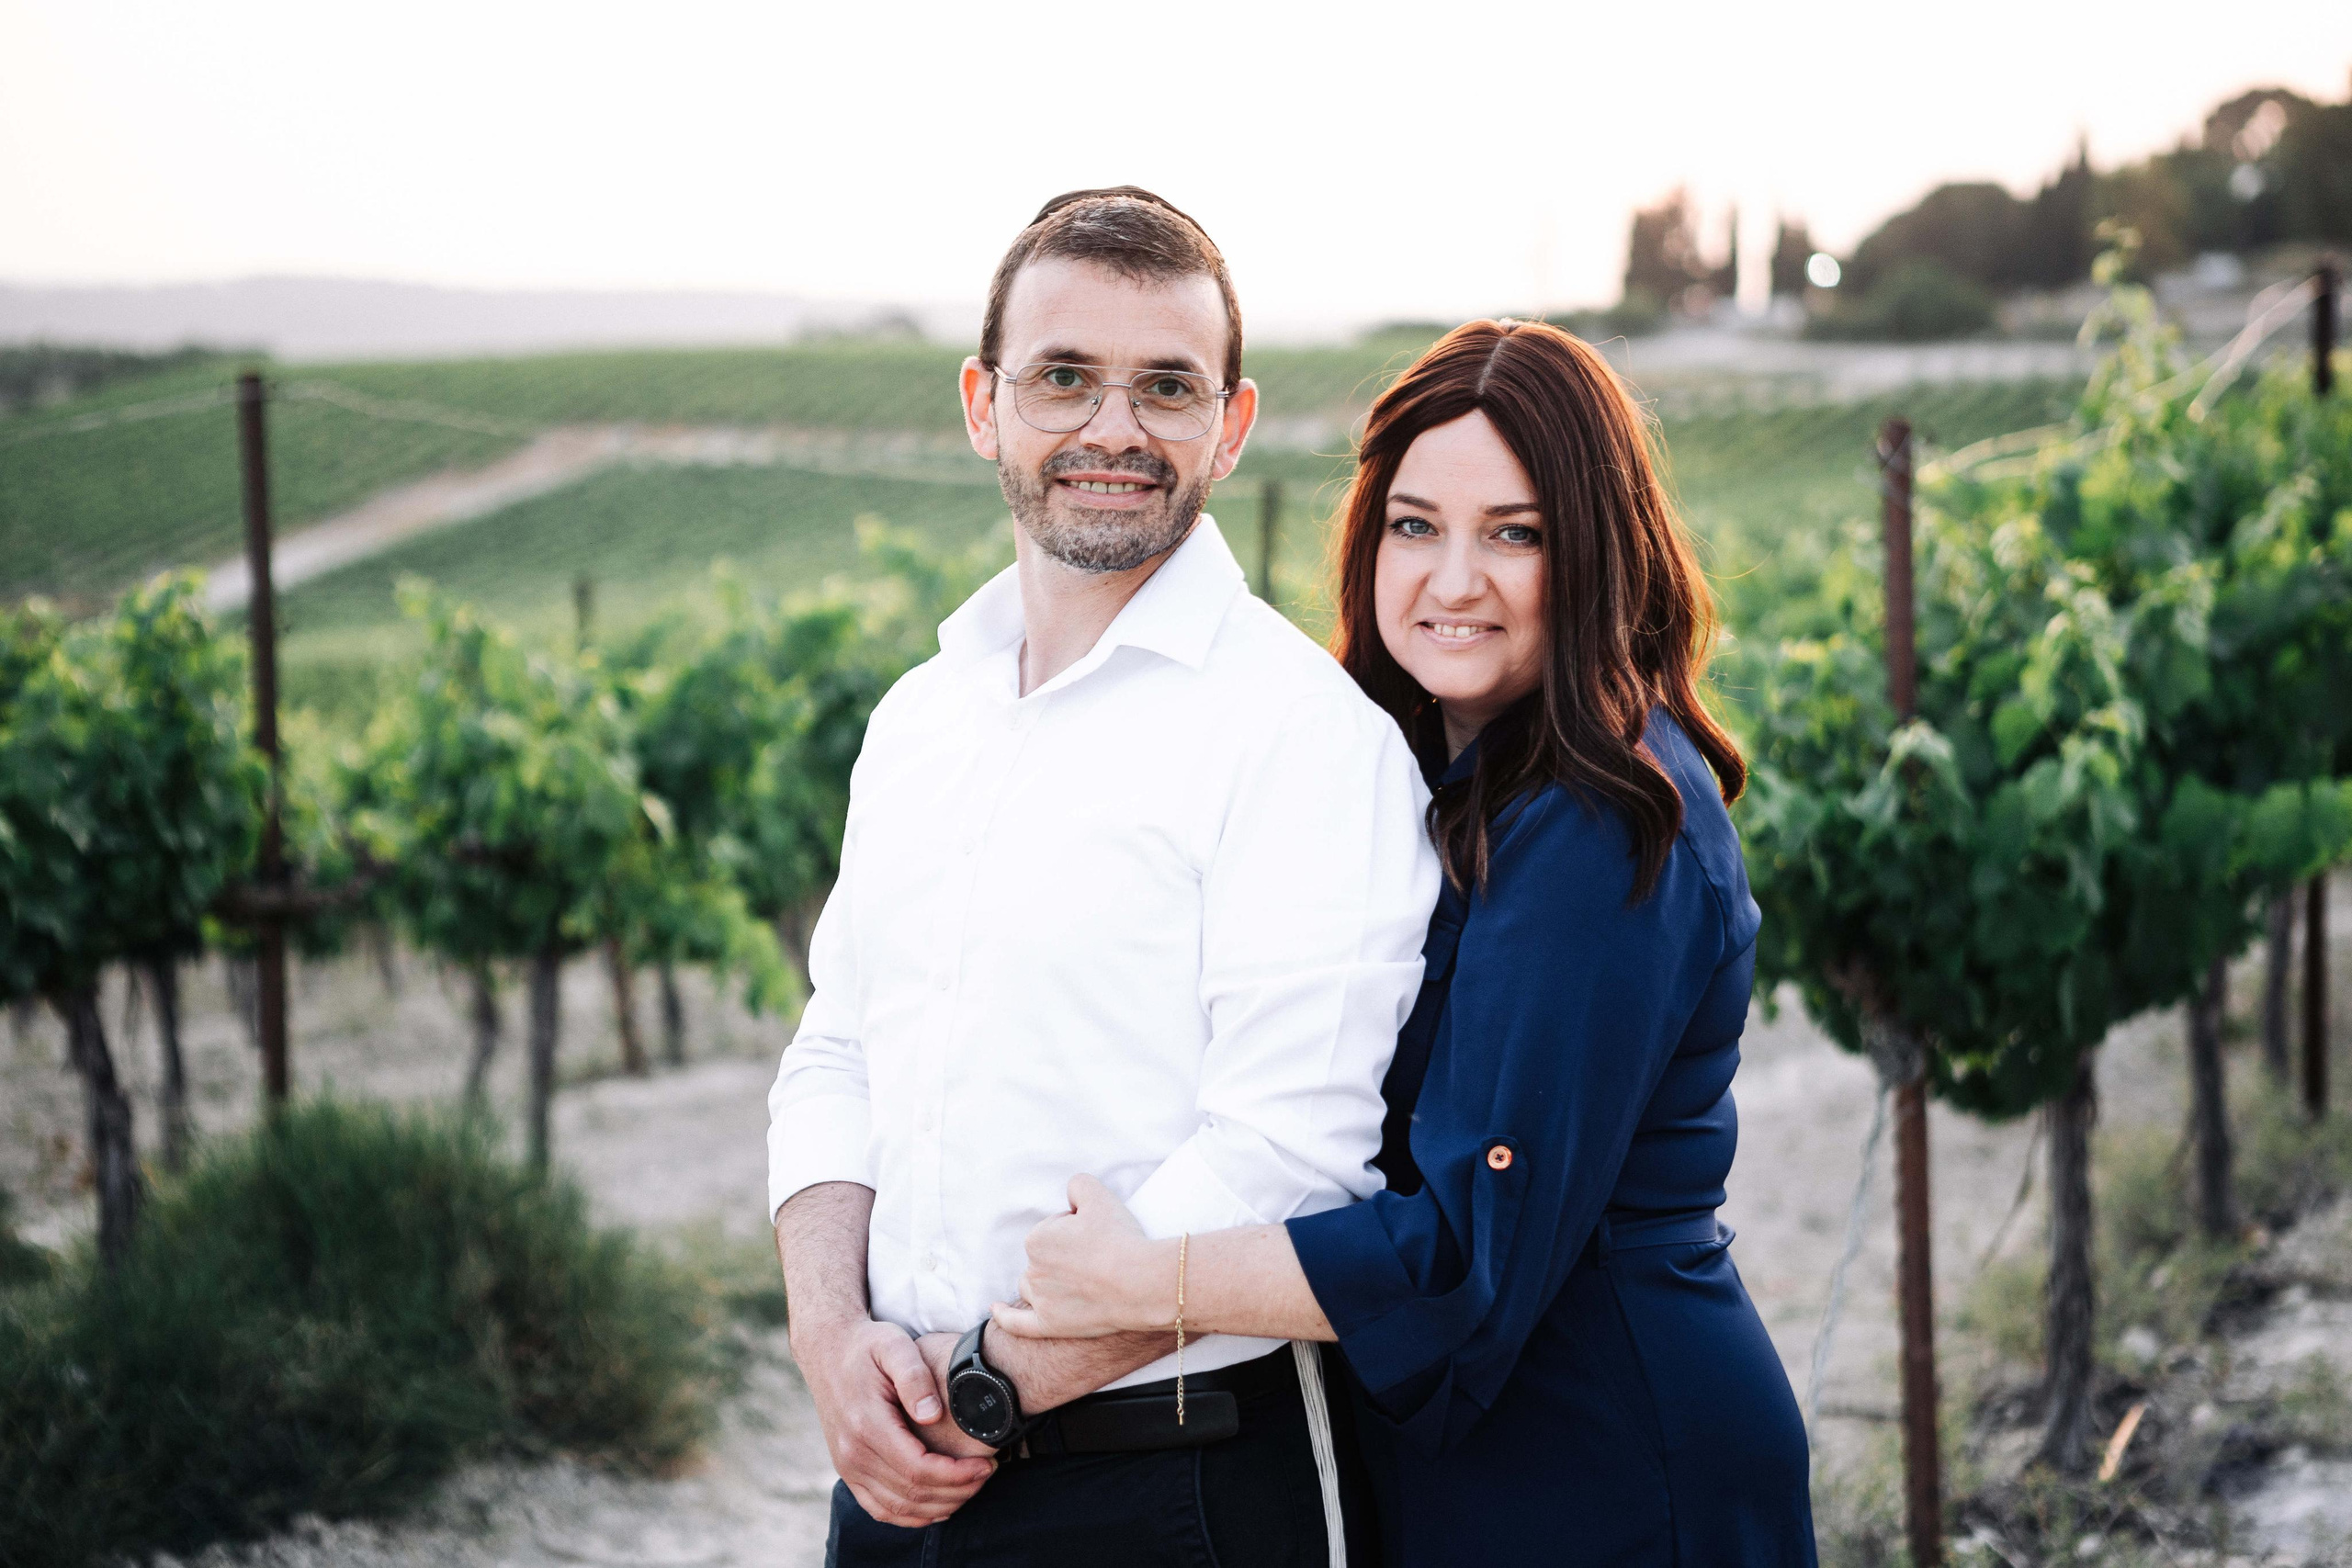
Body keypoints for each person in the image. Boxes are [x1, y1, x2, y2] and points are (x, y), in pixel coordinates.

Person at [994, 319, 1819, 1566]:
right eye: (1417, 526)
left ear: (1595, 551)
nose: (1453, 579)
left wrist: (1141, 1281)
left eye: (1517, 533)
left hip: (1602, 1466)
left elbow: (1463, 1263)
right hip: (1486, 1464)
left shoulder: (1597, 816)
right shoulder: (1443, 773)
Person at [767, 186, 1439, 1567]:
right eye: (1065, 378)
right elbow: (837, 1051)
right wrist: (833, 1344)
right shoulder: (918, 719)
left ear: (1231, 427)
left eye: (1167, 387)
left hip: (1177, 1485)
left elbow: (1290, 1156)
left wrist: (987, 1386)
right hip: (895, 1484)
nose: (1115, 429)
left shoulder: (1304, 738)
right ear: (983, 403)